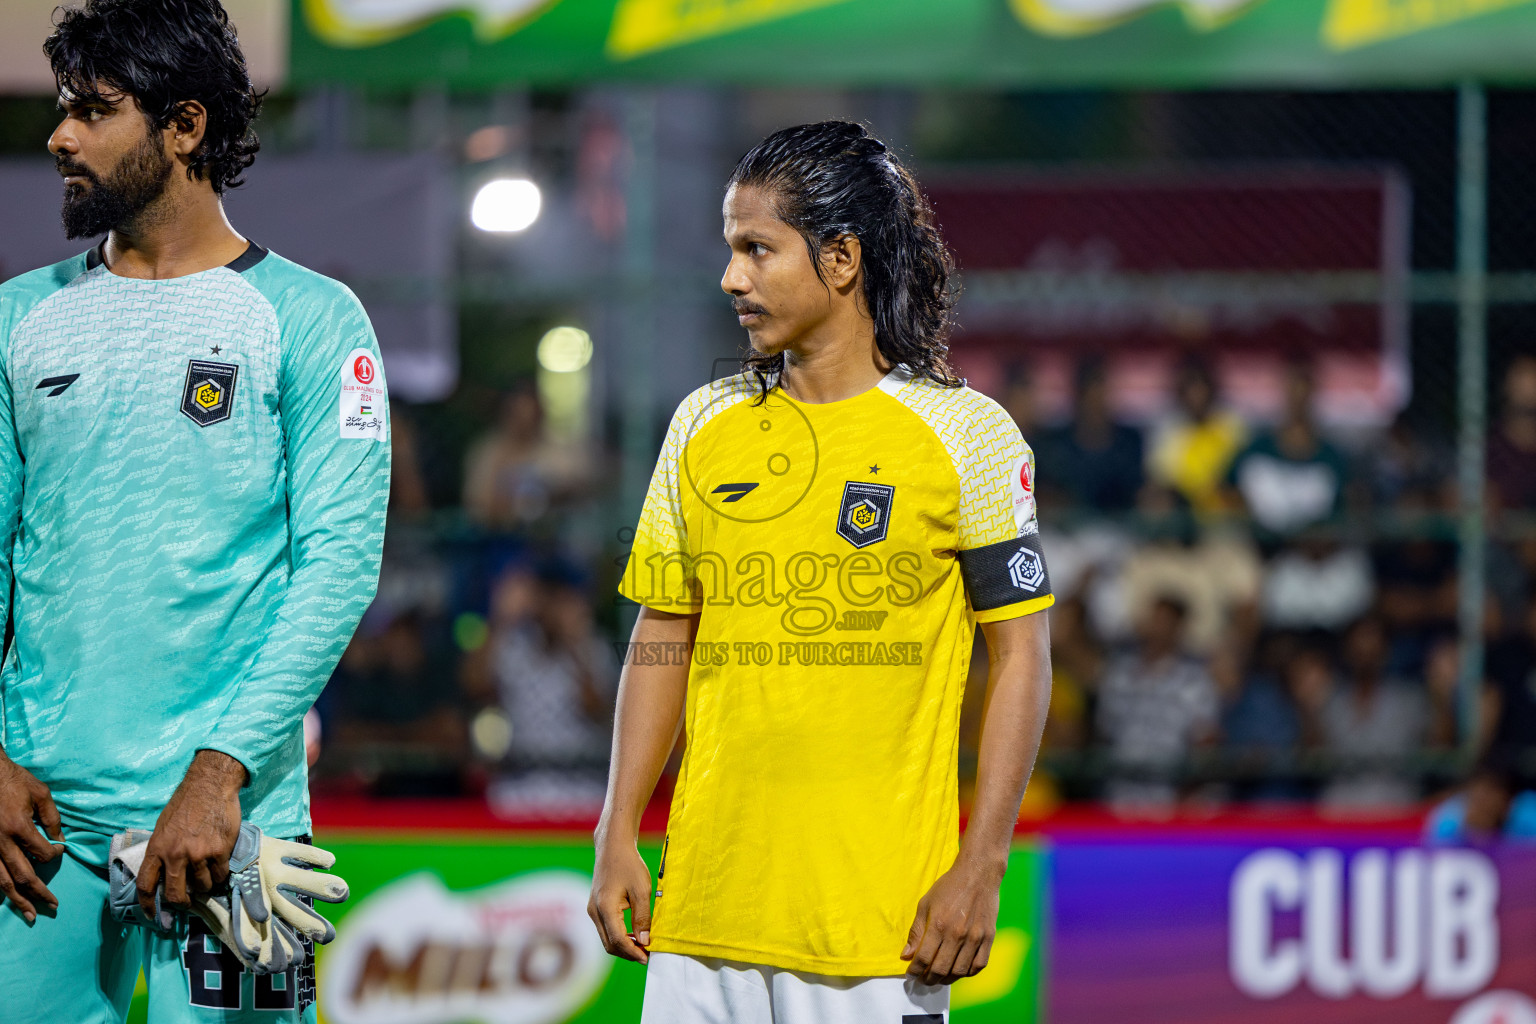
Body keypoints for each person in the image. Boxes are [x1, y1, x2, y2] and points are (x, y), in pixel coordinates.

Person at [589, 121, 1054, 1023]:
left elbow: (1024, 657)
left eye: (757, 249)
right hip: (700, 918)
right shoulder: (702, 420)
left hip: (881, 934)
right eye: (731, 250)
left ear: (840, 260)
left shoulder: (969, 434)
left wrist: (982, 863)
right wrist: (617, 827)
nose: (732, 278)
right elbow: (663, 632)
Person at [0, 3, 390, 1021]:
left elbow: (339, 564)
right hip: (35, 832)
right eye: (62, 109)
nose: (60, 137)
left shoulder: (313, 318)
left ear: (184, 127)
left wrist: (219, 775)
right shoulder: (17, 317)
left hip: (236, 829)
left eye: (93, 111)